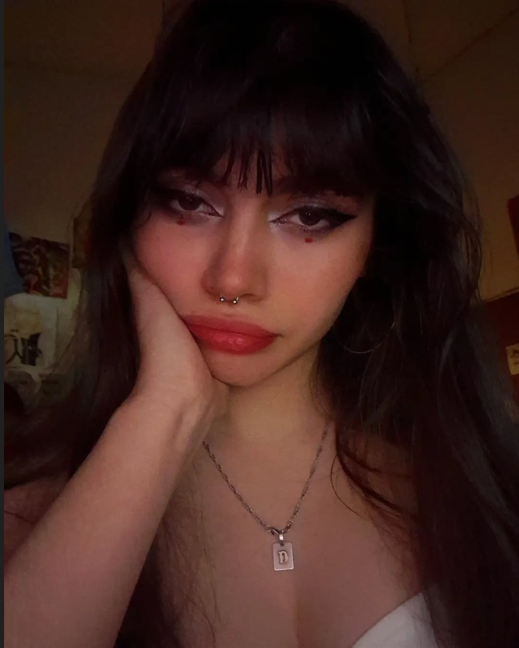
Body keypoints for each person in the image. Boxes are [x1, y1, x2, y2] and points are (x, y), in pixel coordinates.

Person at [4, 1, 519, 647]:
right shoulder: (31, 525)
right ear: (129, 218)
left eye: (309, 215)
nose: (234, 277)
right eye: (189, 202)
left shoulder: (485, 491)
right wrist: (162, 414)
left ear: (376, 243)